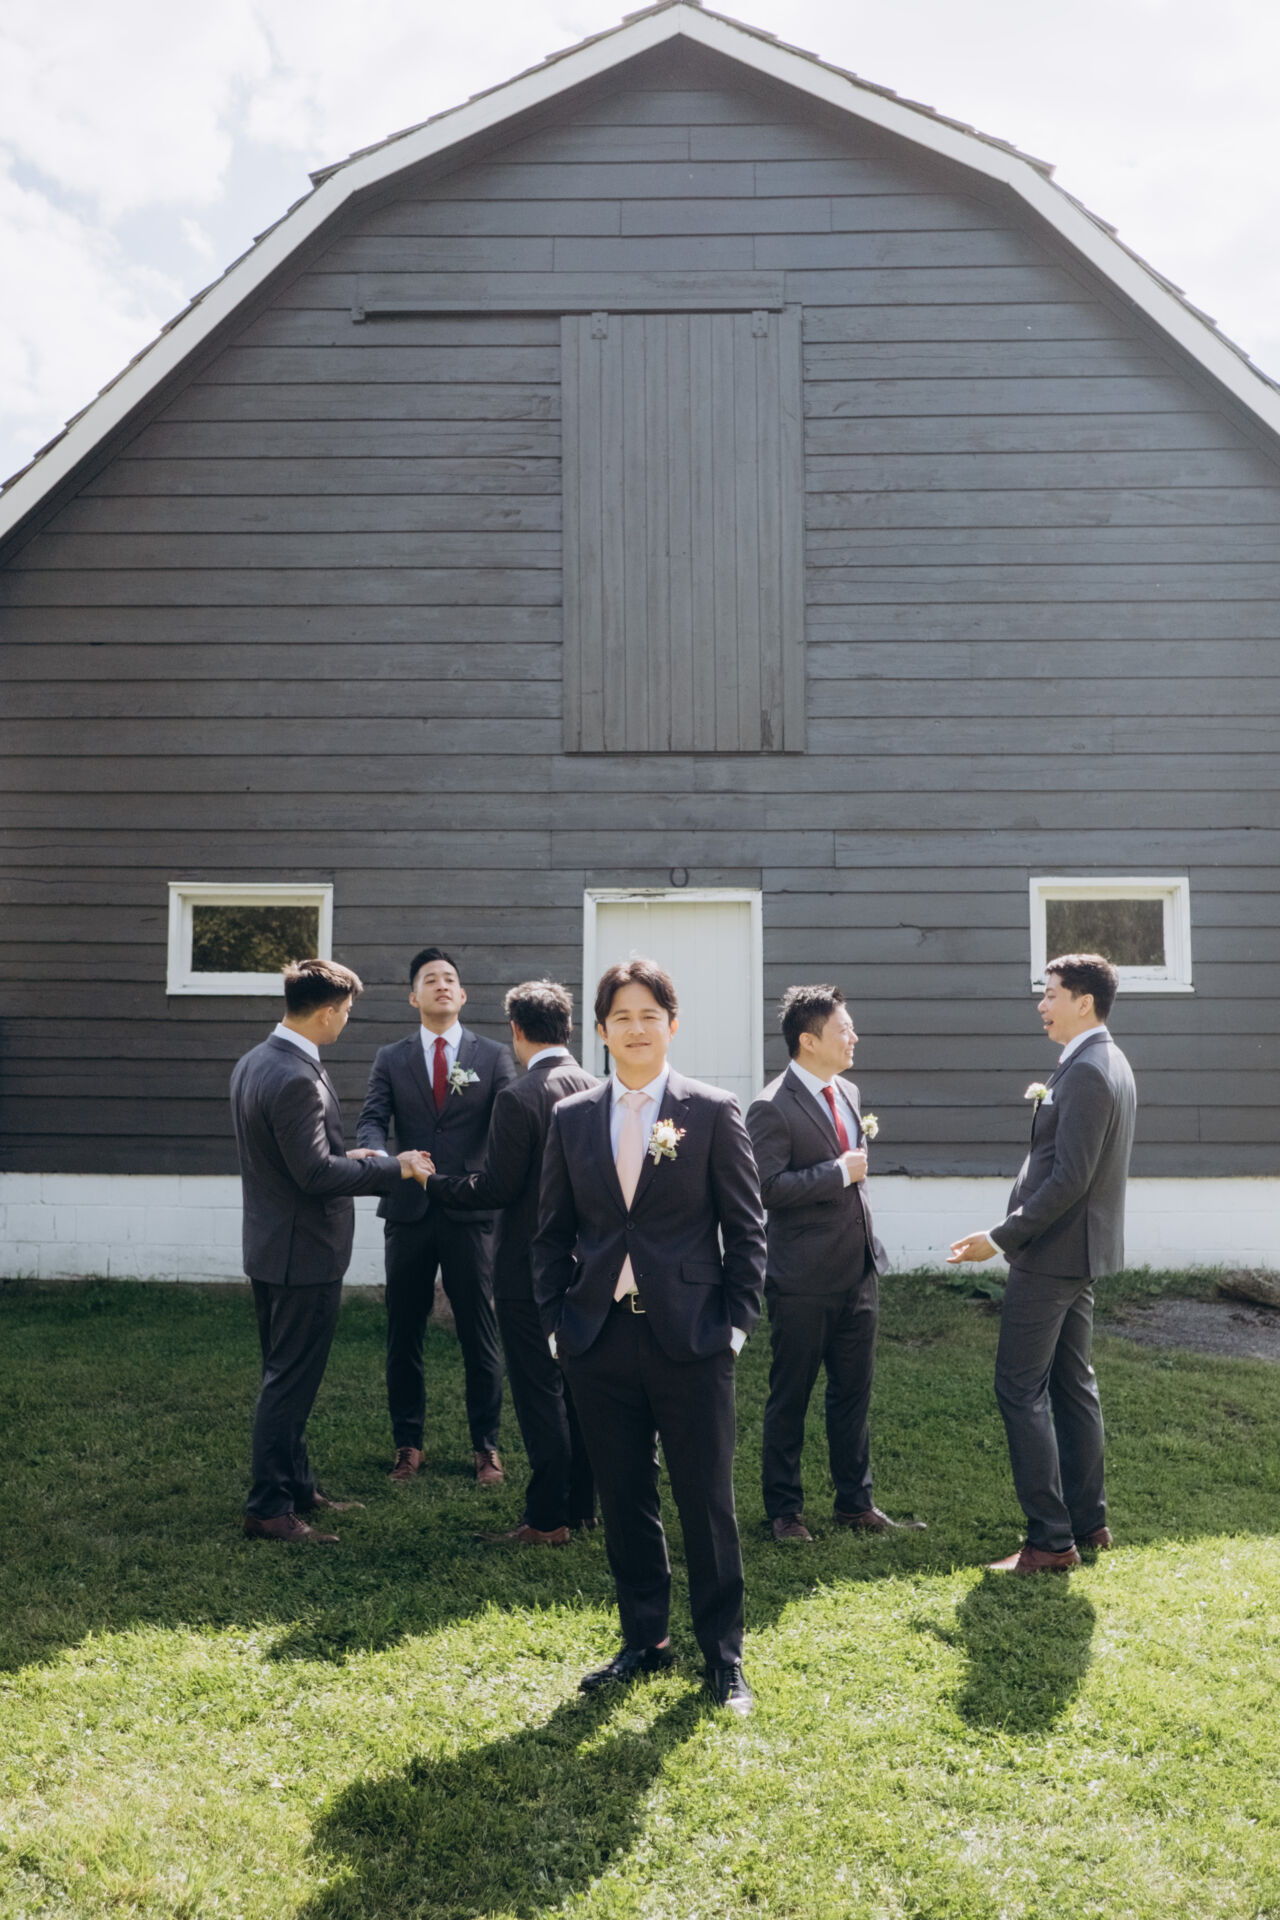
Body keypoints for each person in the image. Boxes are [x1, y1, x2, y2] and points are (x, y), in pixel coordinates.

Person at [532, 959, 767, 1715]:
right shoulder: (572, 1118)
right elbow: (550, 1233)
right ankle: (645, 1640)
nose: (636, 1029)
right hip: (598, 1339)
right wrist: (558, 1327)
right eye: (622, 1018)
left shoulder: (713, 1111)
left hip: (693, 1339)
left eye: (649, 1016)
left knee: (706, 1500)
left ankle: (724, 1658)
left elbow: (747, 1230)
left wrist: (734, 1329)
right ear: (601, 1032)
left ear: (672, 1025)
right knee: (625, 1496)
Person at [229, 958, 432, 1543]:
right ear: (324, 1012)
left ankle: (297, 1488)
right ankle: (269, 1508)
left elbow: (297, 1159)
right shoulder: (295, 1075)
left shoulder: (254, 1061)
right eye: (345, 1012)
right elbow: (314, 1176)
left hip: (272, 1245)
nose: (346, 1020)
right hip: (303, 1254)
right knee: (289, 1383)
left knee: (283, 1374)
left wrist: (351, 1158)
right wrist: (396, 1167)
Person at [949, 952, 1137, 1573]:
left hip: (1052, 1255)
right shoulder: (1105, 1060)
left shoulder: (1088, 1071)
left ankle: (1052, 1542)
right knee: (1073, 1385)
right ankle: (1089, 1521)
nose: (1042, 1004)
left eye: (1051, 994)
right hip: (1077, 1253)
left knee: (1018, 1387)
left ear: (1084, 1002)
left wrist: (1000, 1238)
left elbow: (1069, 1180)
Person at [747, 984, 924, 1544]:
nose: (854, 1037)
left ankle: (855, 1503)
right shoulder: (771, 1106)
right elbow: (765, 1187)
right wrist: (837, 1173)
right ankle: (785, 1511)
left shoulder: (846, 1090)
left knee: (852, 1395)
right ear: (808, 1040)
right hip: (802, 1279)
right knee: (790, 1398)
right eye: (843, 1029)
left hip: (858, 1271)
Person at [428, 980, 598, 1545]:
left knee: (538, 1391)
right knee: (578, 1388)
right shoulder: (599, 1090)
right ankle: (583, 1505)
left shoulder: (519, 1097)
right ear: (568, 1028)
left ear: (517, 1031)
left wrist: (435, 1184)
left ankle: (547, 1518)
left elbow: (498, 1187)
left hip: (528, 1268)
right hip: (587, 1265)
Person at [357, 946, 517, 1485]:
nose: (441, 985)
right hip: (408, 1210)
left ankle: (486, 1447)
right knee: (404, 1332)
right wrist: (383, 1158)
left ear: (463, 995)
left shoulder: (492, 1056)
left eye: (449, 978)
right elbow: (373, 1119)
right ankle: (408, 1445)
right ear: (414, 997)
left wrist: (495, 1178)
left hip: (471, 1211)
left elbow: (509, 1126)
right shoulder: (390, 1058)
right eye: (430, 979)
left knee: (479, 1332)